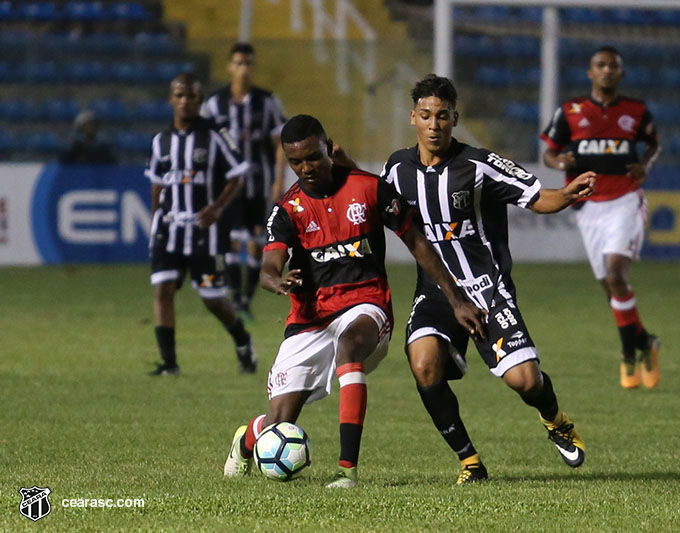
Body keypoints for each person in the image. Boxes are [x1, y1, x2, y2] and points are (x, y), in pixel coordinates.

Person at [223, 114, 486, 488]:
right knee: (280, 421)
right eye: (296, 162)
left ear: (328, 148)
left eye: (312, 157)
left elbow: (417, 243)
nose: (306, 168)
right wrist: (275, 281)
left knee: (349, 347)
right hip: (310, 319)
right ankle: (247, 437)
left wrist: (456, 298)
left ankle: (347, 472)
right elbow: (268, 266)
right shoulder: (287, 209)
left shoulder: (368, 188)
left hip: (367, 306)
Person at [379, 74, 596, 484]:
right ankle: (470, 463)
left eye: (442, 116)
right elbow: (371, 197)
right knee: (423, 365)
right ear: (413, 118)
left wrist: (566, 194)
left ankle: (555, 419)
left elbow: (535, 196)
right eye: (426, 115)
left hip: (485, 288)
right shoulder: (397, 168)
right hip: (437, 291)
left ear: (454, 118)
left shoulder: (478, 164)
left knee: (525, 380)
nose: (434, 124)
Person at [540, 46, 661, 390]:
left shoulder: (636, 111)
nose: (607, 70)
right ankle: (646, 342)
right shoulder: (570, 111)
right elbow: (549, 151)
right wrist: (558, 162)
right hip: (588, 206)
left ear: (621, 74)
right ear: (590, 72)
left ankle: (627, 357)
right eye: (600, 65)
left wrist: (645, 165)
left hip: (624, 199)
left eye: (613, 66)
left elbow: (654, 144)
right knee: (610, 288)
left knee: (616, 273)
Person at [146, 73, 258, 376]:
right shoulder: (161, 142)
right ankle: (169, 363)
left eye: (192, 96)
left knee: (213, 300)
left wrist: (217, 208)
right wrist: (156, 217)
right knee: (163, 290)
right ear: (172, 99)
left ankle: (243, 342)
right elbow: (157, 183)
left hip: (202, 233)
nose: (186, 101)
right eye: (180, 95)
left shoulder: (216, 135)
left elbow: (237, 173)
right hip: (168, 229)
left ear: (200, 100)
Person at [201, 42, 287, 323]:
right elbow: (202, 143)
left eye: (248, 63)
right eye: (239, 63)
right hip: (227, 188)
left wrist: (278, 180)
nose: (244, 69)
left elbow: (279, 144)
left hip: (257, 184)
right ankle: (236, 295)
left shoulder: (268, 102)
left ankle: (244, 300)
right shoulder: (214, 104)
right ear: (230, 67)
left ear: (253, 67)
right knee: (233, 243)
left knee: (253, 244)